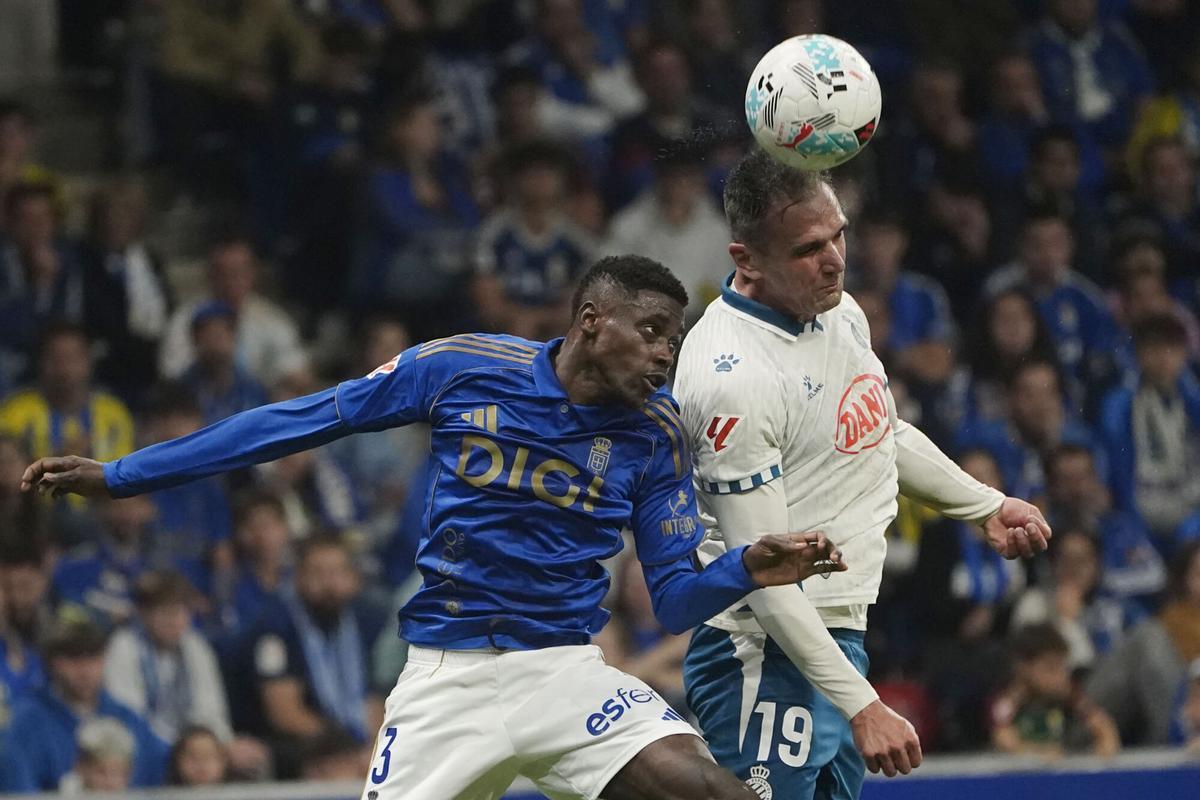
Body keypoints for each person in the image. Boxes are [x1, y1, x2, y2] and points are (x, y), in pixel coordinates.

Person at [20, 254, 848, 800]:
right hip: (445, 680)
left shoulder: (656, 434)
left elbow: (670, 599)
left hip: (564, 673)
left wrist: (746, 565)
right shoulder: (460, 368)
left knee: (709, 791)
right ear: (593, 321)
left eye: (677, 340)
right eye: (654, 333)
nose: (667, 357)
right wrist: (126, 474)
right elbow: (302, 419)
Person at [673, 150, 1051, 799]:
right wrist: (864, 705)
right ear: (747, 261)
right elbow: (762, 580)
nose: (835, 259)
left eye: (839, 233)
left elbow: (876, 431)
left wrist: (984, 506)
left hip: (834, 639)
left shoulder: (838, 311)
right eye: (808, 248)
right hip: (762, 653)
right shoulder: (730, 379)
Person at [0, 620, 168, 791]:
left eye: (93, 658)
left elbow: (164, 767)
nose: (85, 671)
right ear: (51, 664)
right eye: (73, 659)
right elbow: (18, 789)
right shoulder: (23, 722)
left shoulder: (126, 718)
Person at [989, 623, 1120, 759]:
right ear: (1023, 667)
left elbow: (1101, 724)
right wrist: (1039, 753)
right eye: (1050, 668)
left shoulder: (1068, 694)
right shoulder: (1006, 701)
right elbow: (1004, 740)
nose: (1060, 677)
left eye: (1062, 668)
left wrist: (1106, 747)